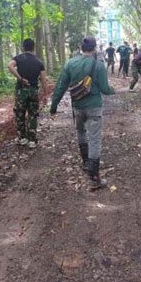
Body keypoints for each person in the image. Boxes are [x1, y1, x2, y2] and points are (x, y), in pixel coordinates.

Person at [50, 36, 115, 190]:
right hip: (94, 107)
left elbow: (60, 86)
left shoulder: (70, 63)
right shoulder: (98, 65)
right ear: (95, 48)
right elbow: (105, 89)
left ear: (80, 47)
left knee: (80, 131)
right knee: (94, 139)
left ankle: (85, 162)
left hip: (77, 106)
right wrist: (113, 90)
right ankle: (93, 178)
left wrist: (54, 106)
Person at [8, 38, 48, 149]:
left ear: (23, 47)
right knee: (33, 114)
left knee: (20, 114)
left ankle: (22, 138)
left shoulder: (18, 58)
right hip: (34, 90)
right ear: (33, 47)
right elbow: (44, 80)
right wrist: (45, 94)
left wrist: (20, 78)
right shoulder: (39, 62)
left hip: (21, 90)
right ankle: (32, 140)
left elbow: (9, 66)